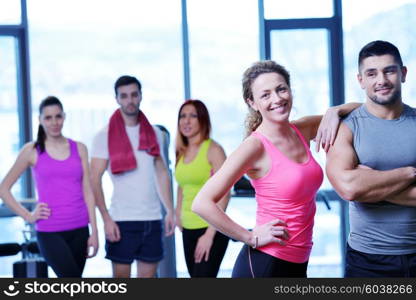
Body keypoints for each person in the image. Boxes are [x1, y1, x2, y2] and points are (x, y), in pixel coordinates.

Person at [191, 60, 361, 278]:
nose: (277, 98)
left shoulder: (302, 129)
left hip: (298, 262)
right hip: (265, 264)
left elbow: (361, 112)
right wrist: (250, 237)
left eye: (281, 89)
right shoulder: (254, 146)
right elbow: (201, 203)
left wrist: (335, 111)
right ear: (252, 102)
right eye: (265, 95)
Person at [326, 40, 416, 277]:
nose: (381, 80)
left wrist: (370, 182)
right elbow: (348, 189)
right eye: (372, 73)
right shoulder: (346, 128)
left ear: (403, 73)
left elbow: (358, 187)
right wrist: (408, 174)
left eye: (389, 70)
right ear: (361, 80)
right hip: (367, 261)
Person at [0, 96, 99, 278]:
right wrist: (29, 216)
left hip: (80, 230)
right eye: (48, 117)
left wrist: (95, 232)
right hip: (50, 232)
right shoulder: (32, 150)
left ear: (64, 117)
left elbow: (88, 192)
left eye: (58, 116)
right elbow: (3, 188)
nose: (54, 122)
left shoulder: (80, 148)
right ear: (40, 120)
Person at [90, 75, 175, 278]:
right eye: (124, 96)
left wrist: (170, 210)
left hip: (152, 219)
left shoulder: (155, 133)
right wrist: (106, 219)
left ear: (141, 96)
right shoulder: (104, 135)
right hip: (121, 220)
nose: (130, 100)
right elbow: (94, 178)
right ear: (117, 98)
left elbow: (162, 172)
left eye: (134, 95)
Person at [175, 99, 230, 277]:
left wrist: (209, 235)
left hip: (210, 228)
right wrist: (177, 214)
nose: (186, 121)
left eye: (193, 116)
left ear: (203, 120)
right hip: (188, 228)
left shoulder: (213, 150)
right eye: (183, 116)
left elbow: (225, 193)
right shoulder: (181, 151)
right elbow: (183, 185)